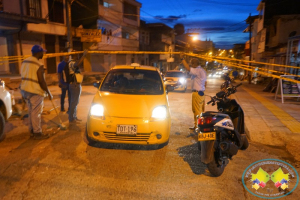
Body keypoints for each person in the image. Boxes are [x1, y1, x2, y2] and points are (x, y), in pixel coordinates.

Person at [20, 45, 53, 139]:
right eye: (42, 52)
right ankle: (37, 133)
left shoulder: (25, 61)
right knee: (36, 113)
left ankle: (32, 130)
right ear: (38, 53)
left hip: (25, 90)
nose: (43, 54)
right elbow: (41, 81)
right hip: (35, 91)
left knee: (31, 111)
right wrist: (48, 92)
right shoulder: (38, 64)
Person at [180, 55, 207, 130]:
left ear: (193, 64)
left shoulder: (197, 70)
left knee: (196, 111)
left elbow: (188, 68)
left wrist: (183, 59)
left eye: (191, 63)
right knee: (200, 110)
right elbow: (205, 83)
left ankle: (198, 126)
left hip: (197, 93)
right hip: (201, 92)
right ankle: (198, 125)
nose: (190, 65)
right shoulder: (202, 70)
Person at [66, 49, 88, 124]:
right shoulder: (72, 62)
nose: (77, 55)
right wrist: (84, 55)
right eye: (76, 53)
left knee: (75, 102)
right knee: (73, 102)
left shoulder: (72, 62)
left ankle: (74, 117)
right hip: (74, 84)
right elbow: (76, 65)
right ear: (74, 55)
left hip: (76, 84)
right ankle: (71, 118)